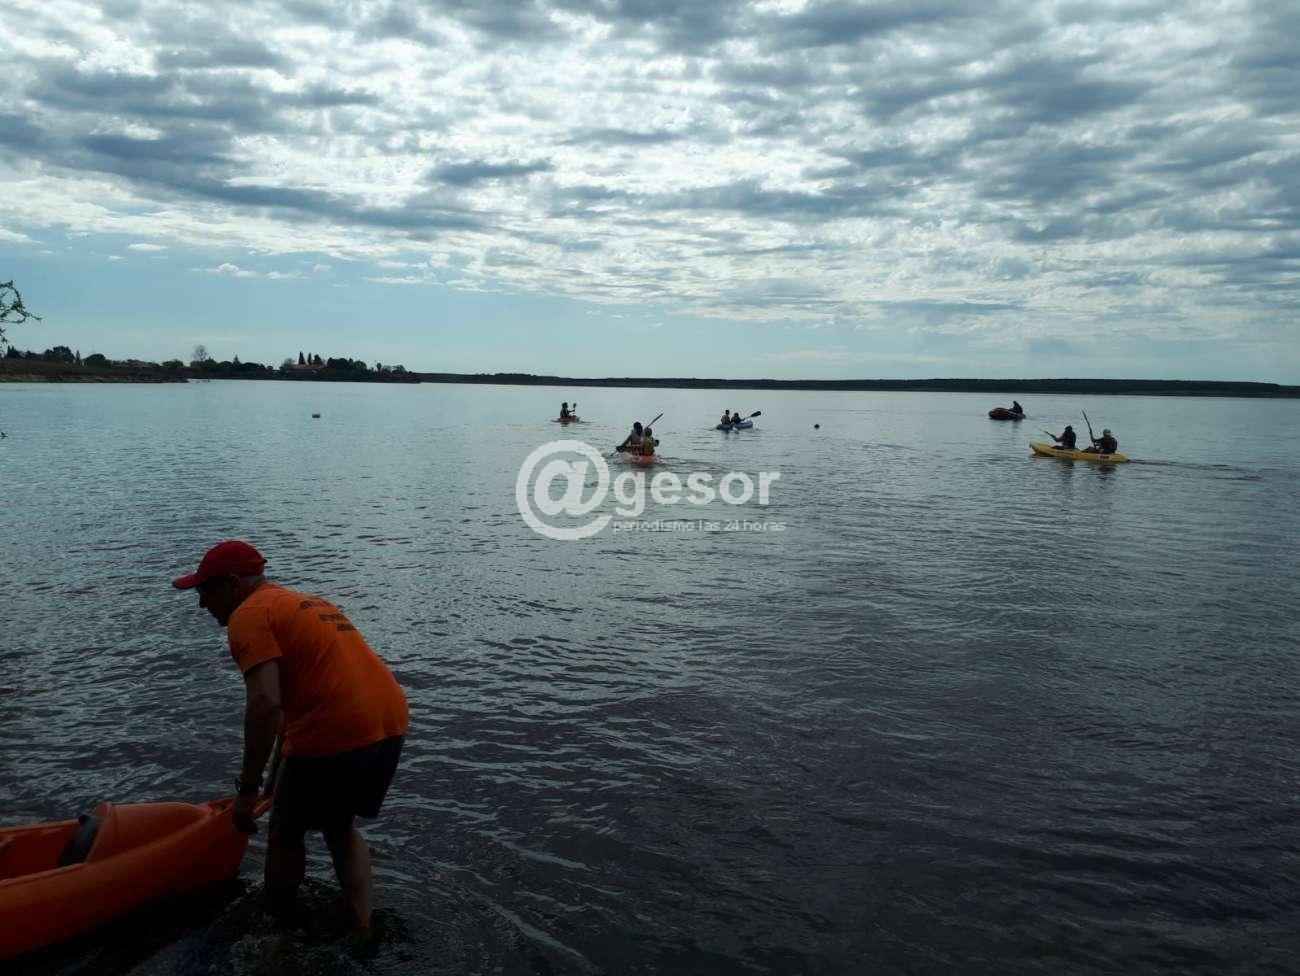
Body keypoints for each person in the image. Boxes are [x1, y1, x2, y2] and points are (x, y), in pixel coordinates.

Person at [173, 540, 408, 941]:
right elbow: (295, 702)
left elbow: (265, 704)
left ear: (232, 583)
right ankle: (363, 926)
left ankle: (280, 934)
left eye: (205, 590)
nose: (202, 604)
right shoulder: (303, 603)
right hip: (389, 723)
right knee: (339, 827)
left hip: (337, 728)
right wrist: (273, 777)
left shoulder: (248, 615)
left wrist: (247, 792)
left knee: (284, 833)